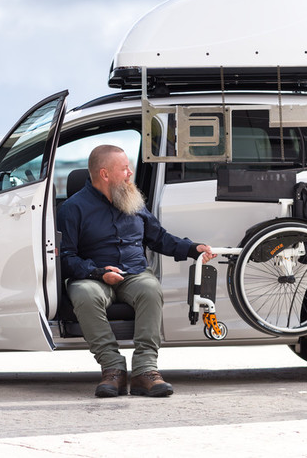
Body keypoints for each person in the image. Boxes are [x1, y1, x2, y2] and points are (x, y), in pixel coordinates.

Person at [58, 145, 216, 398]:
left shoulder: (132, 200)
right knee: (85, 295)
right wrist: (98, 272)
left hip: (134, 273)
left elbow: (158, 238)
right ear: (105, 174)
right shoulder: (73, 208)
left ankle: (145, 371)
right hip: (93, 275)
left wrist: (192, 249)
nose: (130, 173)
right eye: (124, 169)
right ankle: (113, 370)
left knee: (150, 289)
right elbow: (66, 258)